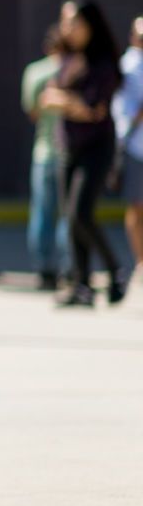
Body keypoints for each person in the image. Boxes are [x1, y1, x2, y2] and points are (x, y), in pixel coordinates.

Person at [40, 0, 125, 308]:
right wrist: (68, 102)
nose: (68, 28)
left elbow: (92, 110)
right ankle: (81, 284)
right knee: (71, 217)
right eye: (65, 22)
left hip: (96, 148)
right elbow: (45, 98)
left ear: (91, 25)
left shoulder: (102, 64)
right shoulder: (68, 60)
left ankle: (115, 269)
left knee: (80, 213)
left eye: (74, 22)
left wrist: (63, 100)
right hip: (68, 146)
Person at [21, 25, 68, 290]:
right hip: (67, 151)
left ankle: (43, 267)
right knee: (66, 214)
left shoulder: (35, 73)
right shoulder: (73, 70)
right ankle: (67, 266)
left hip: (44, 150)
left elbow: (31, 110)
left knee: (42, 212)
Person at [112, 16, 143, 297]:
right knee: (136, 207)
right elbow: (121, 110)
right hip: (136, 146)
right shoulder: (128, 66)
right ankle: (140, 262)